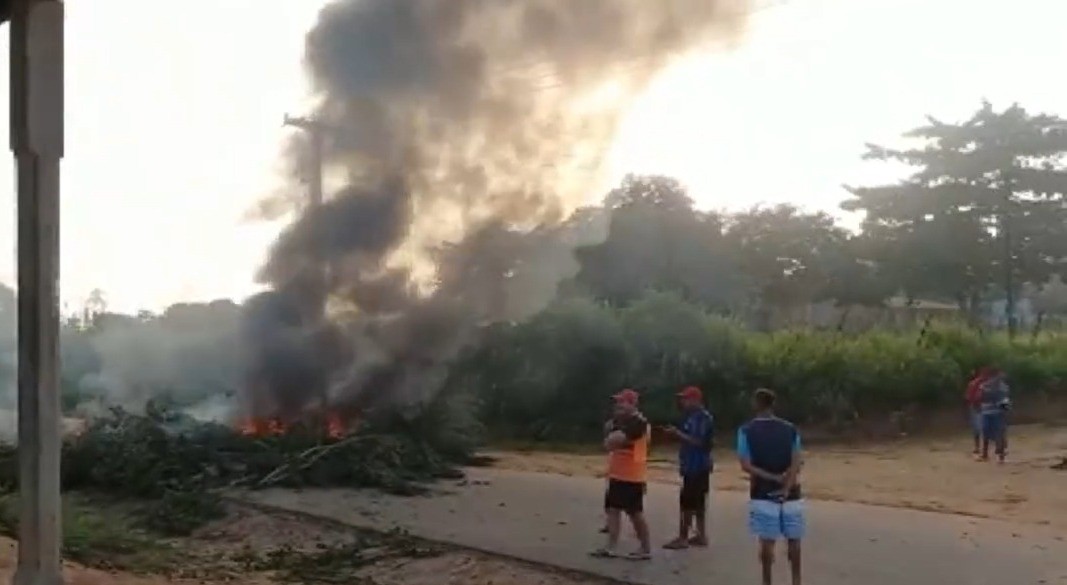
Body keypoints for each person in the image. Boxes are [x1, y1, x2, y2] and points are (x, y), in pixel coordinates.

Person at [737, 388, 804, 585]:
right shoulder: (790, 429)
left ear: (756, 404)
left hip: (762, 491)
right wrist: (786, 485)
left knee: (766, 543)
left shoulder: (746, 430)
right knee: (794, 541)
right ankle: (796, 580)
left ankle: (767, 581)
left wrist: (773, 477)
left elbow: (746, 465)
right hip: (792, 492)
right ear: (773, 404)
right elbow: (796, 462)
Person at [591, 389, 652, 561]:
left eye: (622, 403)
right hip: (618, 473)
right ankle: (611, 547)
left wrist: (612, 436)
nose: (617, 406)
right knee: (613, 509)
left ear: (632, 404)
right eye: (617, 403)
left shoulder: (638, 423)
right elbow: (610, 439)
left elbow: (612, 441)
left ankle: (646, 548)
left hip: (632, 475)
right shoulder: (623, 422)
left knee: (635, 513)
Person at [663, 385, 714, 550]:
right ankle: (701, 535)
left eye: (686, 399)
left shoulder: (703, 418)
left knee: (688, 502)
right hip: (691, 463)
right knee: (698, 502)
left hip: (697, 464)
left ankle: (683, 537)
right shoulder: (690, 417)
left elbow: (698, 441)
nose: (683, 402)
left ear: (696, 400)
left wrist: (677, 434)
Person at [978, 369, 1011, 463]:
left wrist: (1005, 412)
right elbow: (981, 397)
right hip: (988, 412)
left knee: (998, 433)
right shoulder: (985, 386)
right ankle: (986, 454)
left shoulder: (1003, 387)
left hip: (996, 412)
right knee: (987, 432)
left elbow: (1005, 401)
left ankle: (1000, 455)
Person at [965, 367, 993, 457]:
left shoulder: (973, 383)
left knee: (977, 429)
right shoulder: (989, 383)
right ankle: (984, 450)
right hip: (985, 407)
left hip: (976, 407)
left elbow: (968, 397)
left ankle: (978, 448)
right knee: (984, 429)